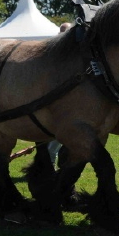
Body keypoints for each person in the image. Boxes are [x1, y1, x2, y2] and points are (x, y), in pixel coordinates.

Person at [47, 22, 73, 166]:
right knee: (52, 141)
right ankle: (49, 166)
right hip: (55, 106)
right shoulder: (55, 52)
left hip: (67, 106)